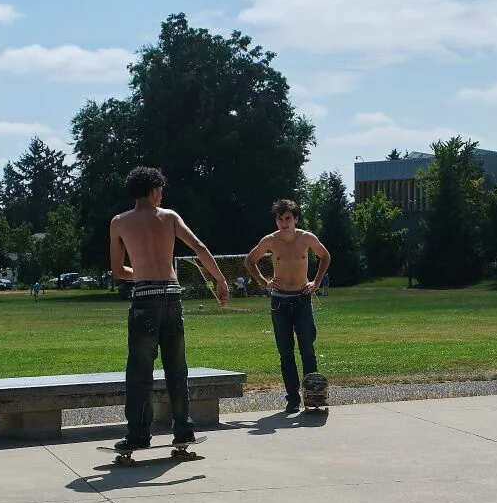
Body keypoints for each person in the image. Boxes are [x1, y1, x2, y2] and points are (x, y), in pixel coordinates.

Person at [108, 166, 230, 452]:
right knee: (177, 369)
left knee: (140, 371)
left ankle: (138, 434)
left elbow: (118, 271)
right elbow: (198, 247)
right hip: (172, 297)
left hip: (144, 299)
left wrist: (141, 272)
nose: (162, 195)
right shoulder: (170, 217)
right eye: (160, 190)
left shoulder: (119, 222)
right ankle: (183, 429)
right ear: (153, 190)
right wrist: (220, 279)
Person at [243, 199, 331, 414]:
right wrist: (264, 282)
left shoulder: (306, 238)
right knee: (286, 352)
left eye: (288, 218)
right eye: (280, 219)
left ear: (296, 219)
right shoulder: (270, 240)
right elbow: (249, 261)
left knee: (307, 349)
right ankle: (292, 399)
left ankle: (313, 396)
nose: (284, 223)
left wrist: (316, 282)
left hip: (302, 298)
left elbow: (325, 256)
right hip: (279, 301)